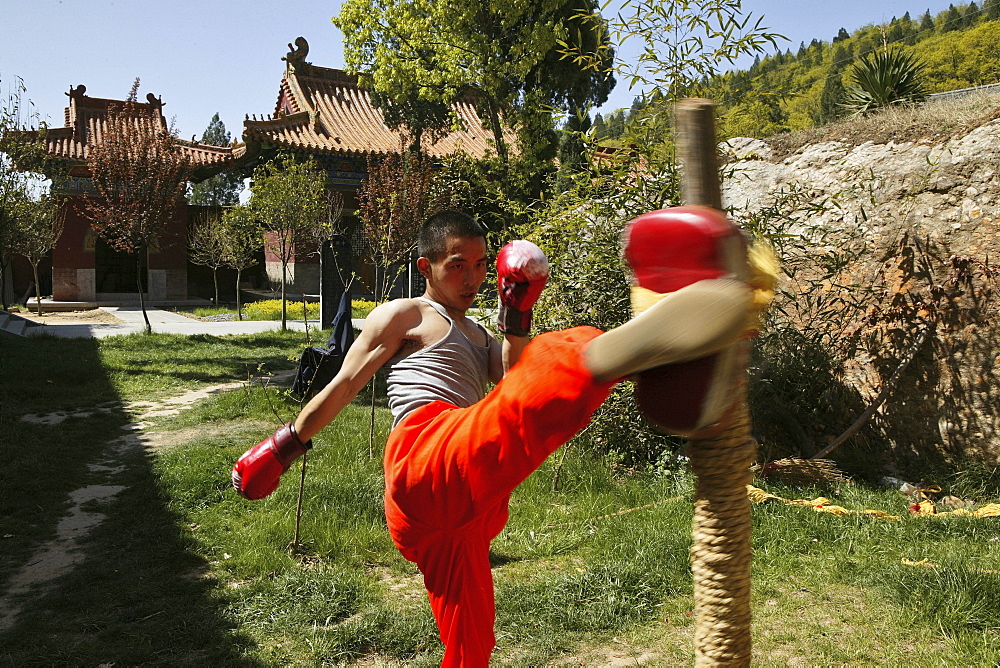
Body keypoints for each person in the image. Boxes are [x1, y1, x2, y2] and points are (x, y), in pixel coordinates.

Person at [232, 209, 750, 666]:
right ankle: (607, 354)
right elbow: (345, 384)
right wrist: (284, 446)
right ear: (426, 268)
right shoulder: (407, 314)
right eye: (457, 264)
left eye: (481, 265)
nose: (473, 276)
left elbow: (514, 384)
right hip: (424, 456)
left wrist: (516, 315)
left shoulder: (481, 334)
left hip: (464, 513)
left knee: (472, 644)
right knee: (542, 380)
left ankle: (649, 367)